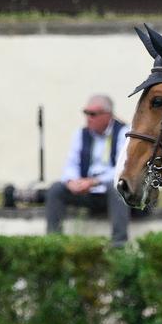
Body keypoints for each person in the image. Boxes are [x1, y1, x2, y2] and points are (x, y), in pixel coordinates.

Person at [45, 95, 130, 246]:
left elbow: (122, 168)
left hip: (109, 192)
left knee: (116, 188)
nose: (88, 118)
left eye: (93, 114)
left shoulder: (124, 132)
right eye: (86, 113)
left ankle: (119, 243)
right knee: (56, 189)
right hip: (87, 192)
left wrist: (94, 181)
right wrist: (72, 181)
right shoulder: (80, 134)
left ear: (107, 115)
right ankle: (53, 241)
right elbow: (71, 164)